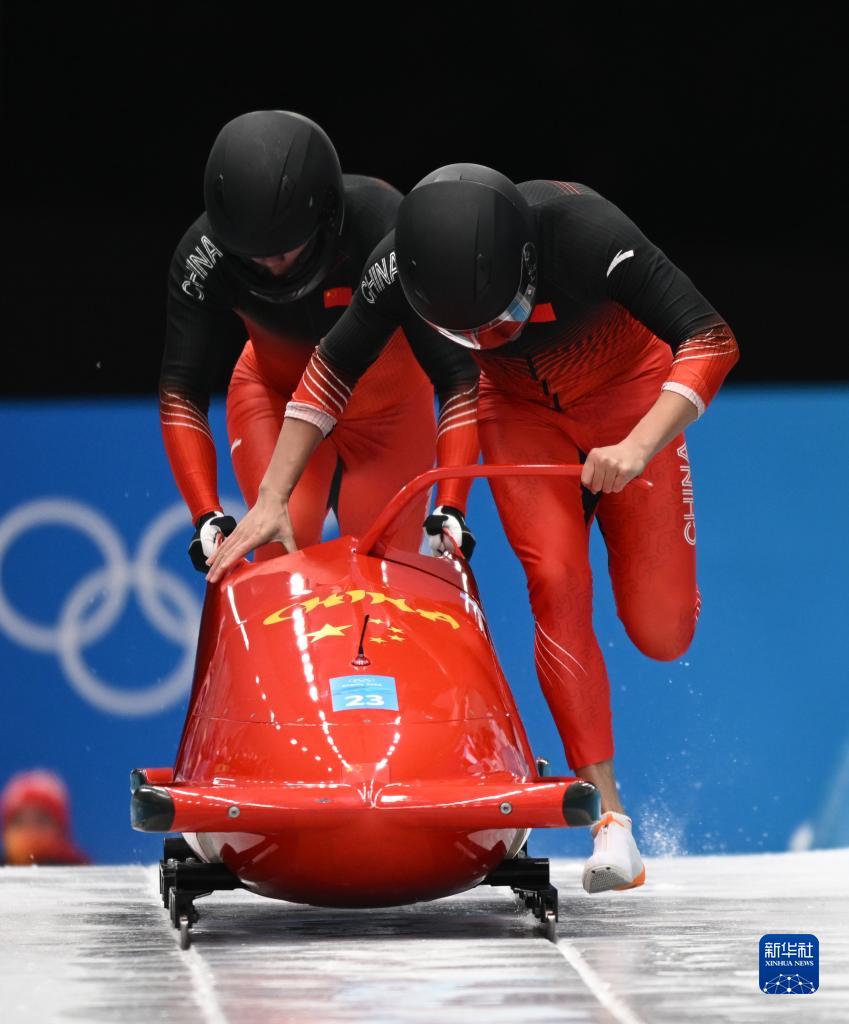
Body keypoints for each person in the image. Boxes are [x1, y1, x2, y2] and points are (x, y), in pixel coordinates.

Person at [206, 163, 738, 894]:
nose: (491, 333)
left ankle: (653, 551)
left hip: (632, 399)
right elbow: (330, 368)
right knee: (554, 581)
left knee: (661, 632)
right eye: (467, 330)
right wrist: (272, 496)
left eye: (501, 316)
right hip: (517, 411)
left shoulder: (586, 233)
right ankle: (611, 822)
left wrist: (640, 445)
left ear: (529, 263)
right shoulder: (398, 264)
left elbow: (711, 339)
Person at [161, 112, 478, 571]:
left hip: (390, 415)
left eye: (281, 251)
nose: (268, 267)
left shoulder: (385, 226)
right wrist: (206, 513)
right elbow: (181, 390)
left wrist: (452, 503)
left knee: (383, 569)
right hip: (275, 396)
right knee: (279, 547)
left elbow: (458, 375)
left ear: (325, 218)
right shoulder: (202, 255)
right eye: (250, 255)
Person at [0, 770, 90, 866]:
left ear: (60, 831)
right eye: (18, 821)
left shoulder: (84, 873)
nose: (30, 831)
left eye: (41, 821)